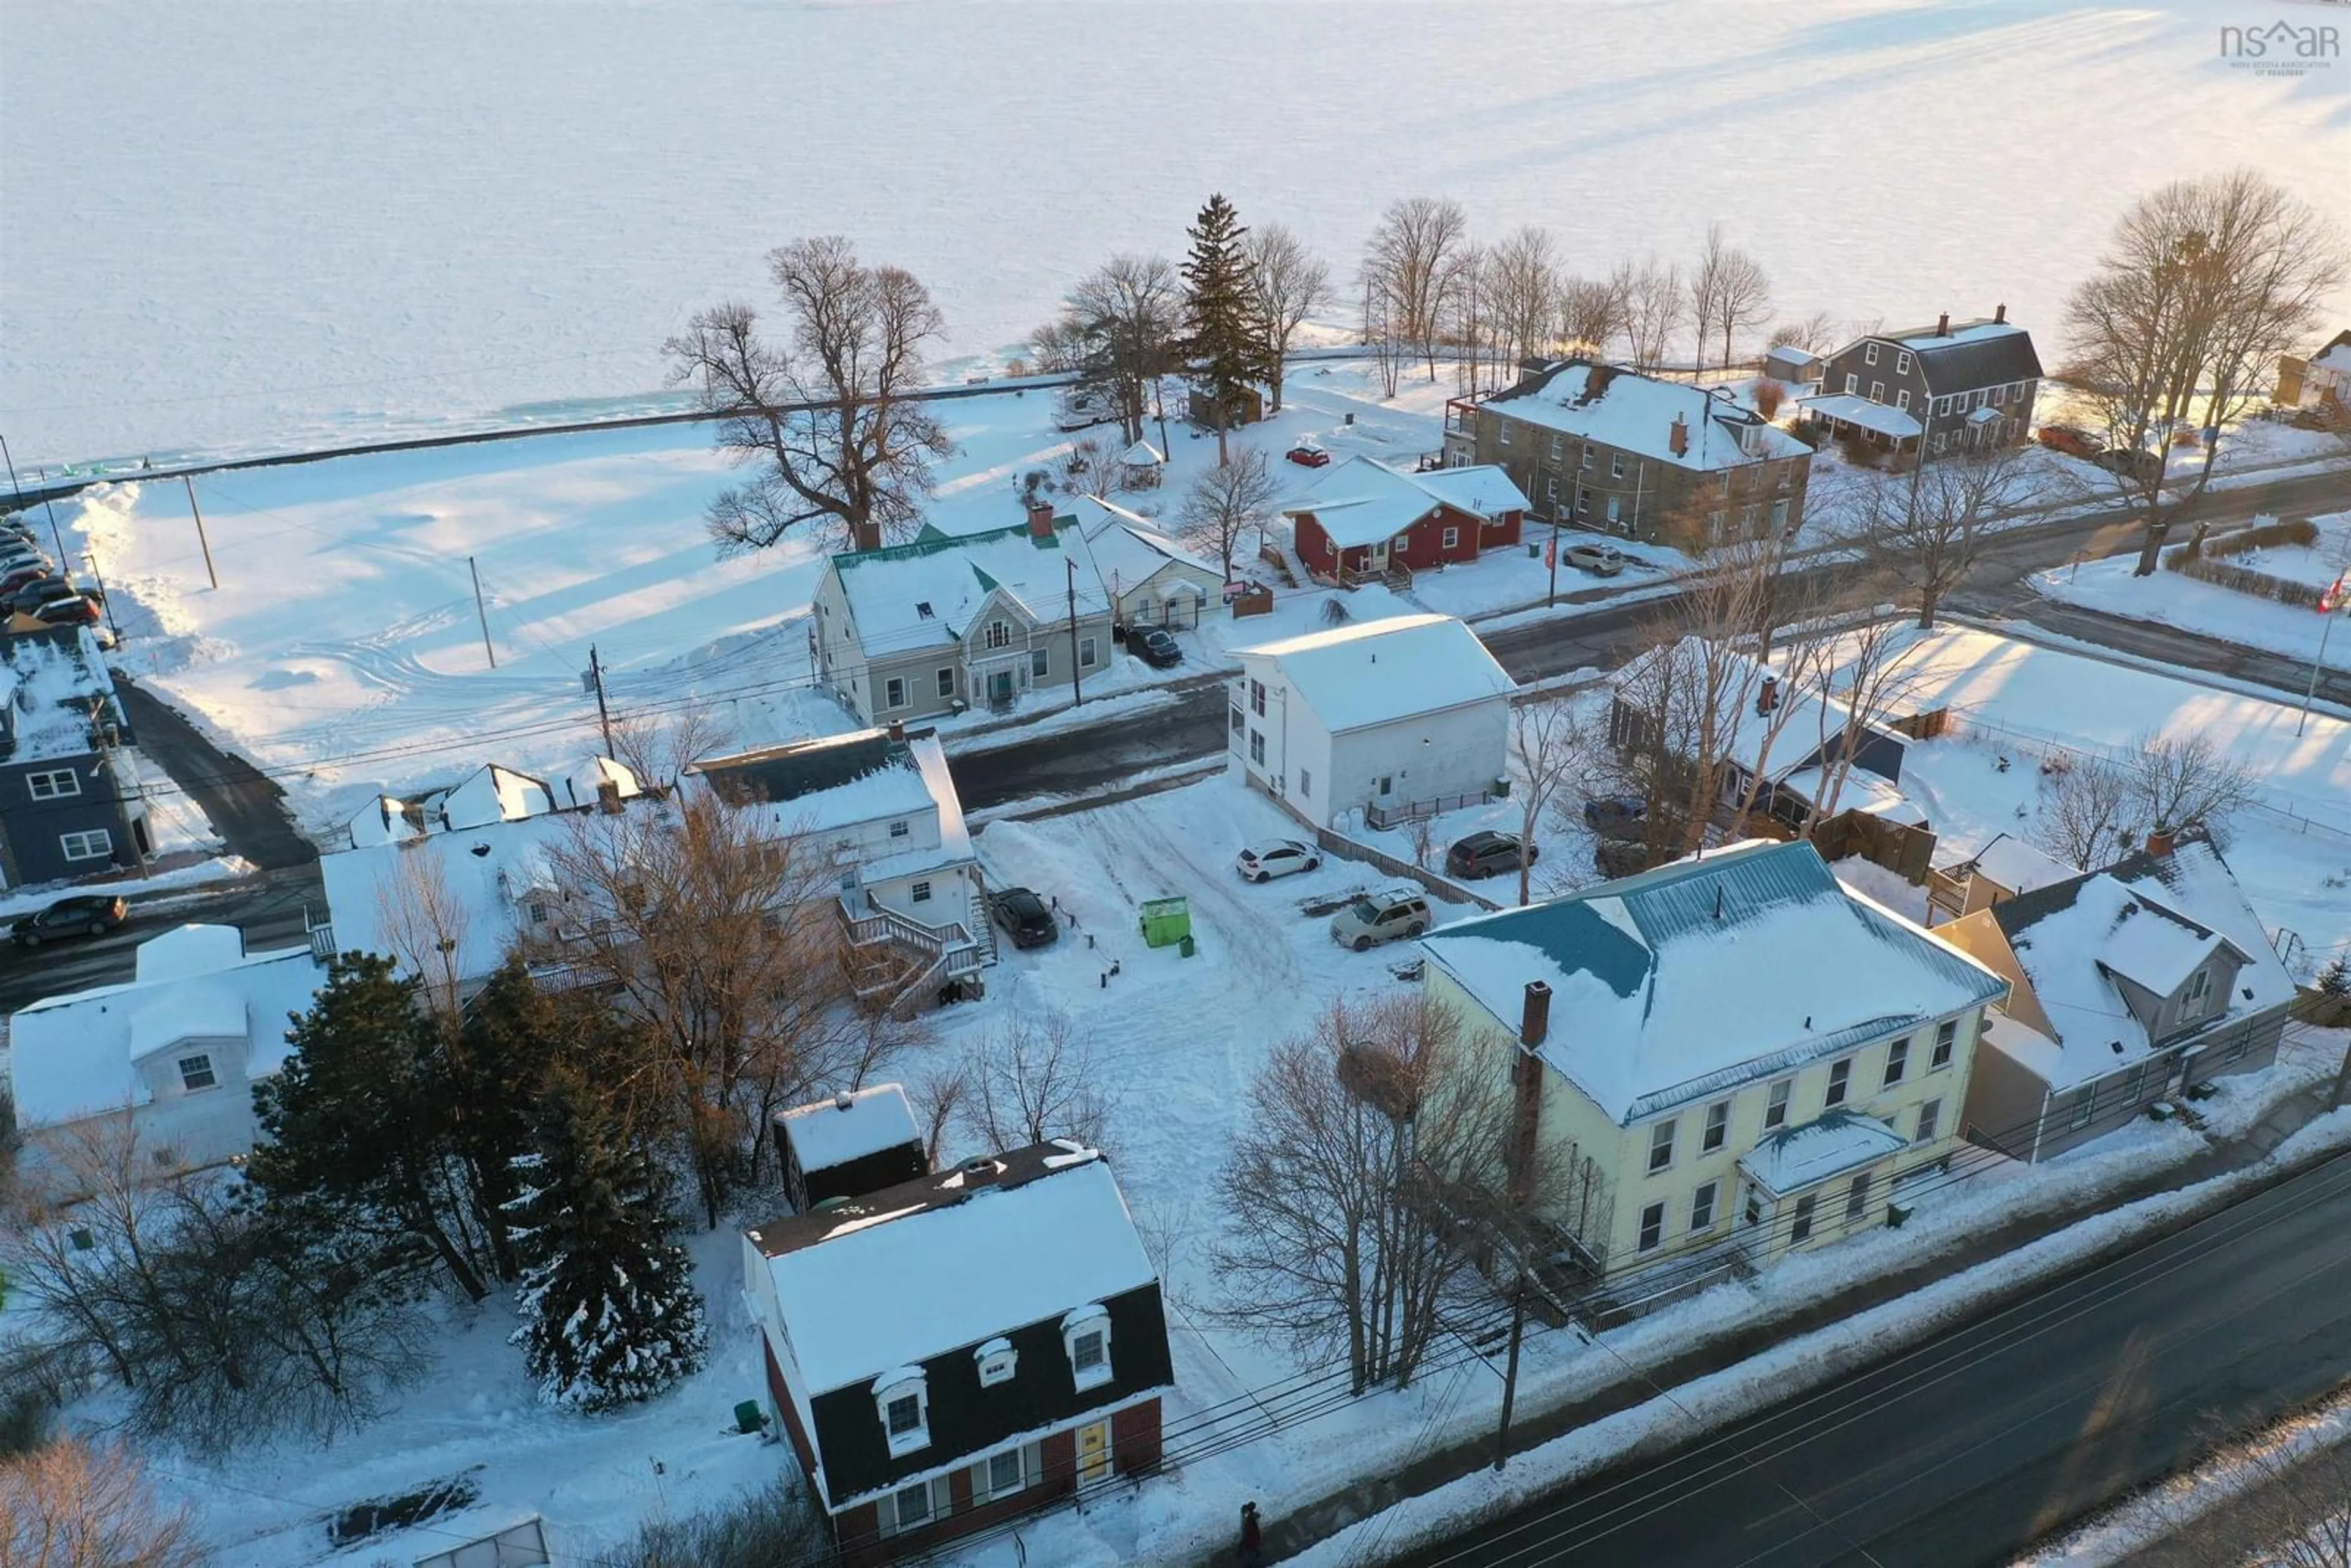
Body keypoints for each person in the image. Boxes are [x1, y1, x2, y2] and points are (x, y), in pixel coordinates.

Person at [1239, 1500, 1264, 1567]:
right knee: (1252, 1553)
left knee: (1251, 1551)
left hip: (1251, 1537)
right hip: (1251, 1538)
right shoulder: (1250, 1518)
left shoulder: (1248, 1516)